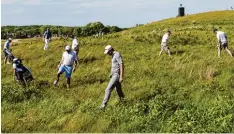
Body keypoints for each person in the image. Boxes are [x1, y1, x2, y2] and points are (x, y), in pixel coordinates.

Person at [99, 45, 125, 110]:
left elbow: (121, 65)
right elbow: (115, 66)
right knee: (118, 90)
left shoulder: (117, 54)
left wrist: (121, 76)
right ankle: (123, 101)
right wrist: (111, 73)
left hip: (116, 75)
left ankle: (103, 106)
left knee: (108, 89)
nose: (107, 53)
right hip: (114, 75)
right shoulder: (113, 55)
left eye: (108, 52)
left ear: (111, 50)